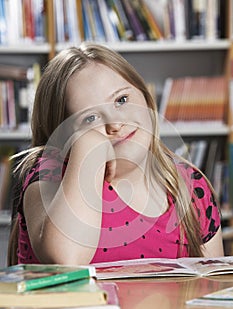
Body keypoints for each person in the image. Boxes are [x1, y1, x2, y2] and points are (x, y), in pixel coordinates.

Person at [8, 43, 224, 266]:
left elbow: (212, 288)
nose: (115, 124)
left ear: (146, 97)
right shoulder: (49, 173)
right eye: (89, 119)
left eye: (121, 100)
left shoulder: (189, 186)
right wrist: (88, 145)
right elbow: (65, 261)